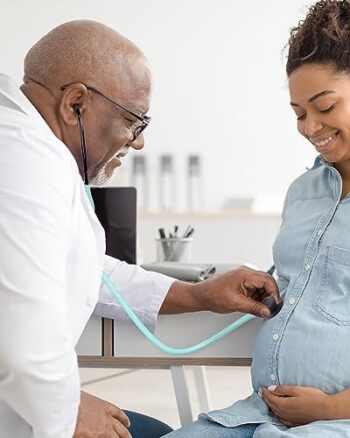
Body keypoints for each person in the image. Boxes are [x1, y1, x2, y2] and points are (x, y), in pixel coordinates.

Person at [0, 20, 280, 438]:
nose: (138, 141)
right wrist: (70, 408)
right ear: (75, 102)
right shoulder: (26, 162)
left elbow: (85, 270)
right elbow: (22, 344)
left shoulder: (31, 148)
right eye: (134, 121)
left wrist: (197, 294)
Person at [164, 1, 350, 437]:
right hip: (256, 414)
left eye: (324, 106)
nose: (309, 127)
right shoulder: (303, 193)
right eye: (299, 113)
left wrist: (331, 406)